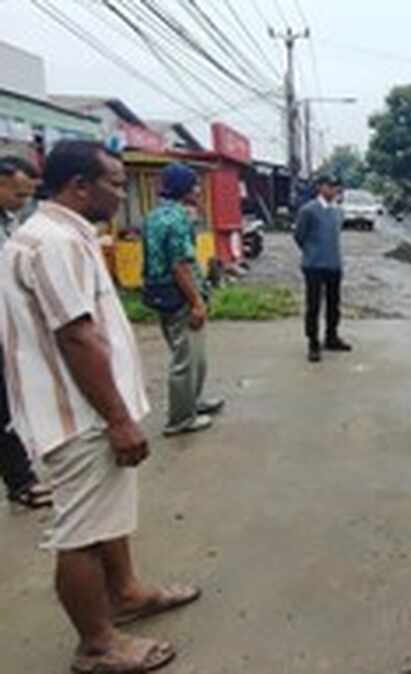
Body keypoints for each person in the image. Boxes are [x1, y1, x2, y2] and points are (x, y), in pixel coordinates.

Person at [1, 141, 201, 673]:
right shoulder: (54, 243)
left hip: (87, 408)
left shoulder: (60, 235)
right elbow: (76, 336)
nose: (122, 193)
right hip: (81, 414)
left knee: (106, 516)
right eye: (114, 183)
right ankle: (97, 645)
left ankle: (126, 592)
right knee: (82, 533)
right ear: (79, 186)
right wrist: (117, 418)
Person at [142, 162, 224, 436]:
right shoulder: (177, 219)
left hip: (161, 293)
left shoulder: (154, 215)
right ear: (184, 189)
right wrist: (197, 302)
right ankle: (180, 419)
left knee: (192, 355)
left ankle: (191, 402)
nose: (198, 191)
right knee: (186, 358)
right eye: (195, 185)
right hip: (180, 296)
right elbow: (180, 266)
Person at [0, 156, 52, 509]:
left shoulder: (10, 220)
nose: (24, 202)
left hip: (8, 325)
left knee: (9, 404)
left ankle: (20, 479)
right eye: (19, 194)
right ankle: (21, 481)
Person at [294, 174, 351, 363]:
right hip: (313, 265)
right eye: (330, 186)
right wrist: (311, 251)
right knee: (313, 306)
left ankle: (331, 337)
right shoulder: (308, 210)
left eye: (336, 187)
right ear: (320, 187)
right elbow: (299, 236)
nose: (334, 190)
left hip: (334, 264)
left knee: (334, 304)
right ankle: (313, 342)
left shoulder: (338, 211)